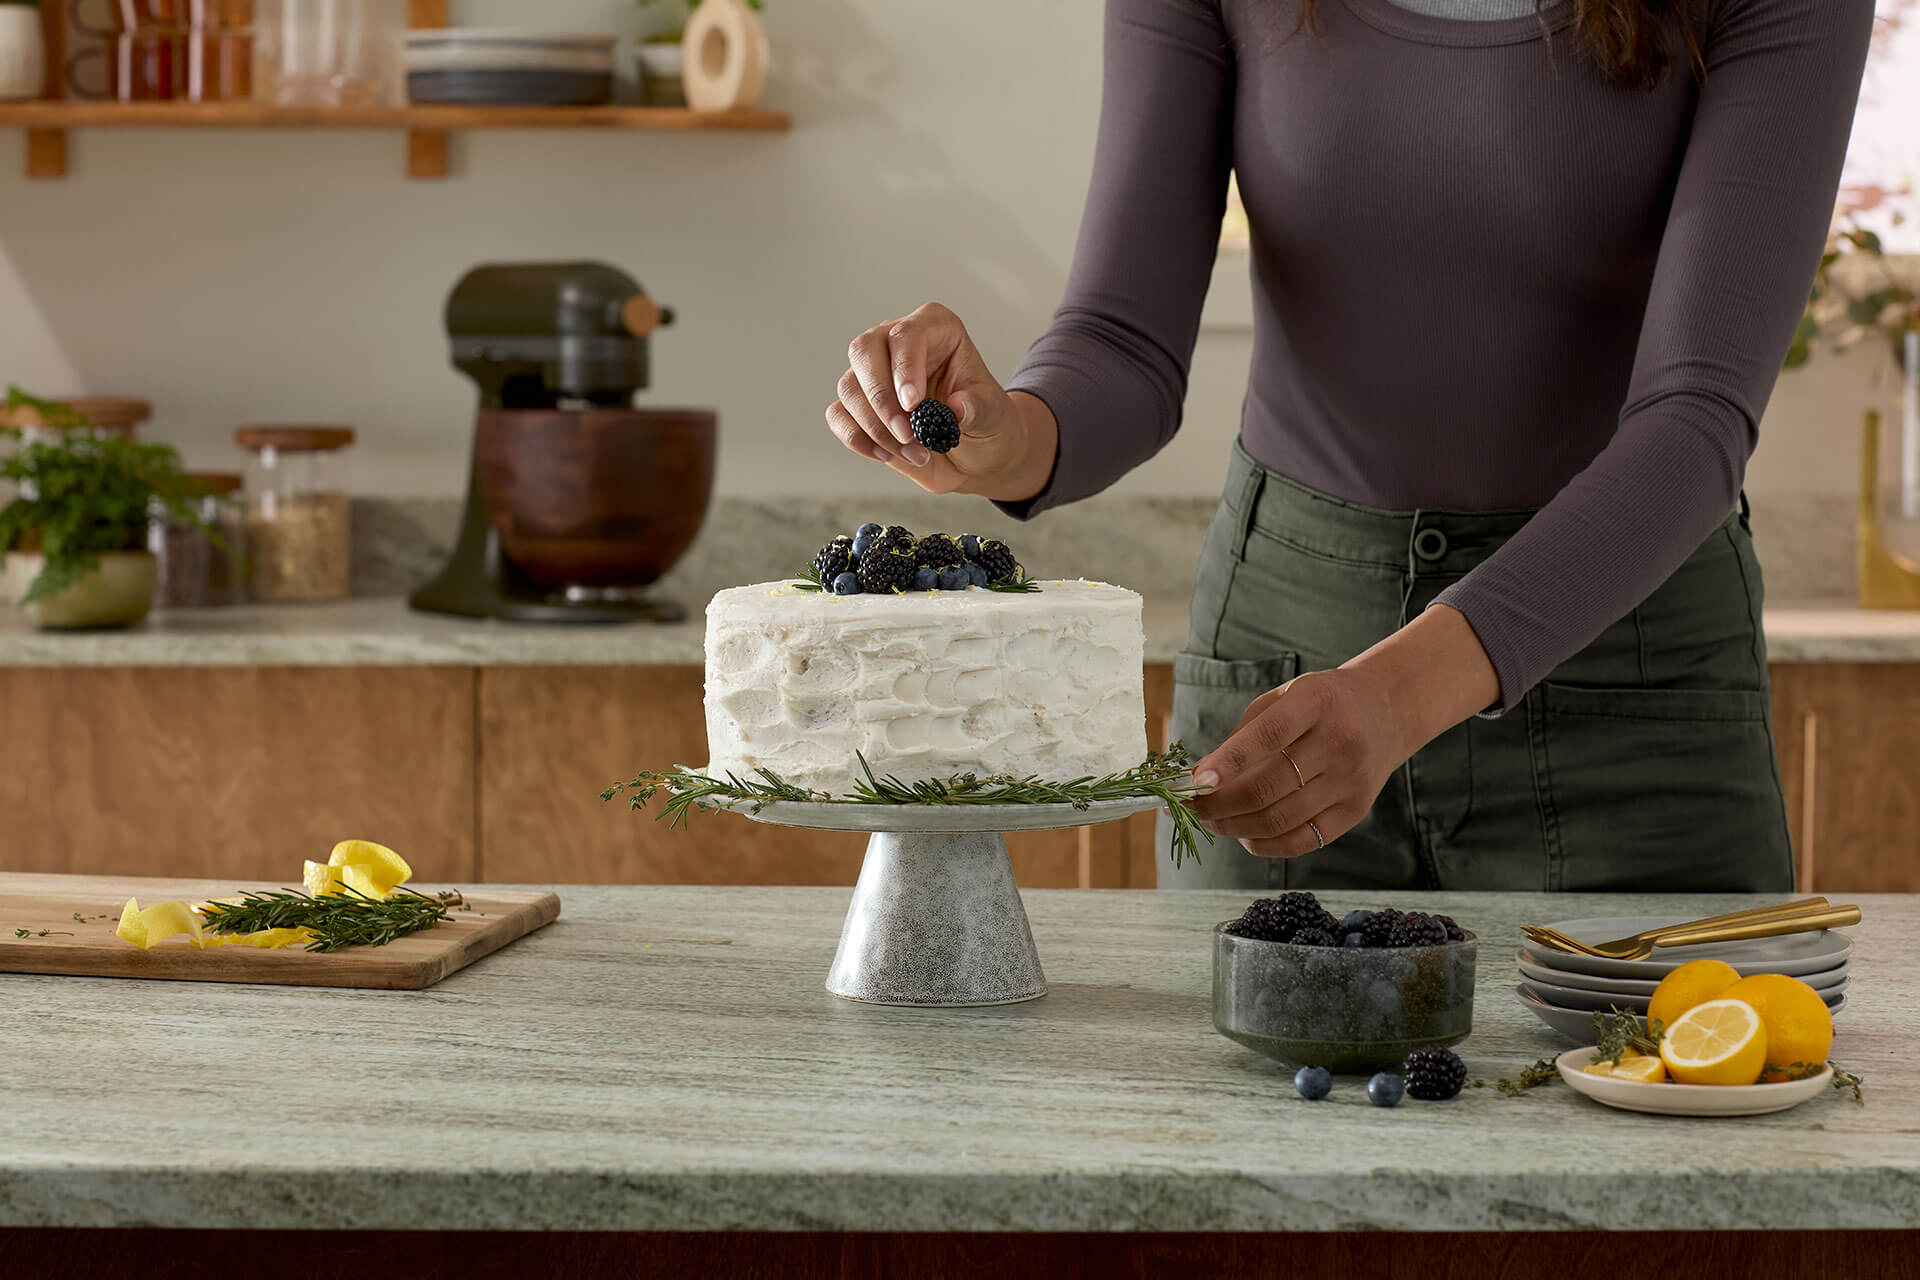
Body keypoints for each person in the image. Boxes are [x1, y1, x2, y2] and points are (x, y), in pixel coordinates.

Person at [826, 0, 1875, 892]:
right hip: (1283, 680)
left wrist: (1393, 695)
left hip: (1633, 688)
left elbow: (1695, 423)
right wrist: (1003, 437)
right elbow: (1123, 341)